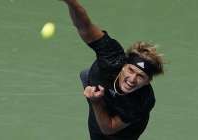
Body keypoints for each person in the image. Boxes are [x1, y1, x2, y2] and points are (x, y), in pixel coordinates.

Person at [61, 0, 164, 140]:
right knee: (88, 76)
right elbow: (84, 27)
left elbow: (108, 128)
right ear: (123, 65)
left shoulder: (142, 101)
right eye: (131, 70)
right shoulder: (112, 56)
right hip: (100, 86)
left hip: (120, 134)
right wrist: (71, 3)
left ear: (147, 82)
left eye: (141, 76)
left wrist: (96, 102)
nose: (132, 79)